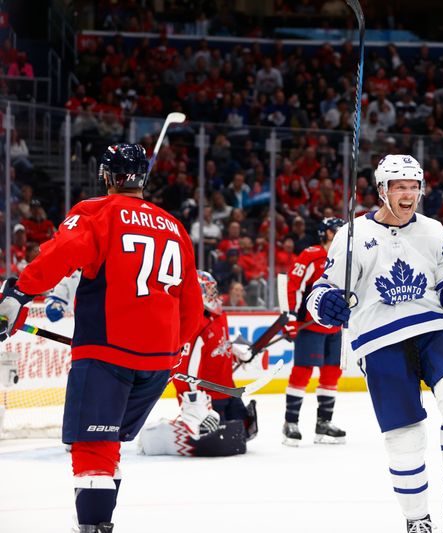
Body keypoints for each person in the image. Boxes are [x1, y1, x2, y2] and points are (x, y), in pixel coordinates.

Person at [0, 143, 203, 533]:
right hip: (158, 362)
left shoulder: (96, 212)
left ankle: (95, 527)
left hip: (108, 353)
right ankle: (99, 519)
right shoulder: (175, 227)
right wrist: (172, 350)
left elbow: (60, 255)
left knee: (94, 447)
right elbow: (190, 308)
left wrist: (19, 292)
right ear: (143, 177)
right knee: (109, 446)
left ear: (107, 176)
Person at [306, 155, 443, 533]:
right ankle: (417, 519)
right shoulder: (352, 234)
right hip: (378, 337)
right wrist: (325, 304)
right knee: (405, 436)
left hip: (434, 328)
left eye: (413, 186)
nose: (408, 194)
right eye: (399, 186)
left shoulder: (433, 230)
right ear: (382, 190)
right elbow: (324, 291)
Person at [138, 271, 259, 456]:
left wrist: (235, 353)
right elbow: (184, 368)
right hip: (208, 398)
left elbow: (217, 350)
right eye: (208, 289)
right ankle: (157, 436)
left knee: (244, 432)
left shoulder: (219, 315)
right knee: (219, 444)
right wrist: (192, 401)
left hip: (228, 390)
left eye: (213, 289)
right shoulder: (192, 323)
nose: (213, 294)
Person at [281, 217, 347, 446]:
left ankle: (323, 423)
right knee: (302, 372)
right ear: (327, 233)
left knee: (331, 374)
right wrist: (289, 316)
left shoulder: (347, 257)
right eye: (337, 229)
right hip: (310, 326)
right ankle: (291, 423)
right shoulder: (312, 255)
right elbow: (293, 286)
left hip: (336, 327)